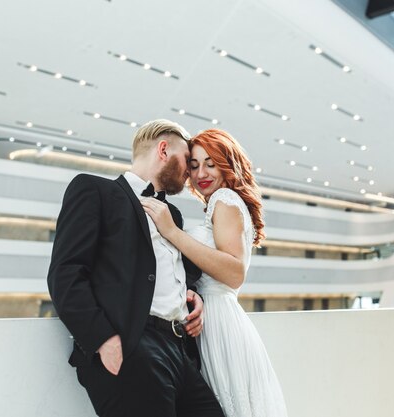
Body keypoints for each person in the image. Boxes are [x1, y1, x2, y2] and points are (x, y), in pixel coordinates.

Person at [47, 119, 225, 417]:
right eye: (187, 160)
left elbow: (166, 272)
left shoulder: (174, 216)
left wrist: (193, 295)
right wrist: (103, 339)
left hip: (179, 350)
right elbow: (66, 273)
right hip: (132, 348)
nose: (191, 172)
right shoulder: (94, 190)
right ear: (164, 149)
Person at [142, 128, 288, 417]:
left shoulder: (225, 199)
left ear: (227, 163)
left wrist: (170, 231)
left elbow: (234, 272)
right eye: (194, 165)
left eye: (211, 162)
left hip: (220, 323)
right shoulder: (218, 204)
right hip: (213, 319)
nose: (201, 173)